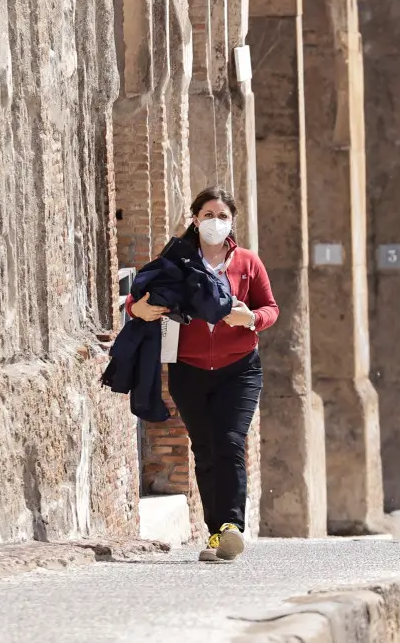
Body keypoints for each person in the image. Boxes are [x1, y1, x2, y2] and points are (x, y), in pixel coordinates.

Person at [128, 187, 278, 562]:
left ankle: (231, 526)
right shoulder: (177, 260)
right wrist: (138, 310)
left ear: (232, 221)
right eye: (208, 214)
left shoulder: (246, 262)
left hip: (240, 369)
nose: (215, 221)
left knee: (229, 441)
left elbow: (270, 308)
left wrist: (251, 319)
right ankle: (216, 534)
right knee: (206, 448)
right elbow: (140, 296)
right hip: (189, 370)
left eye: (222, 215)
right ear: (195, 218)